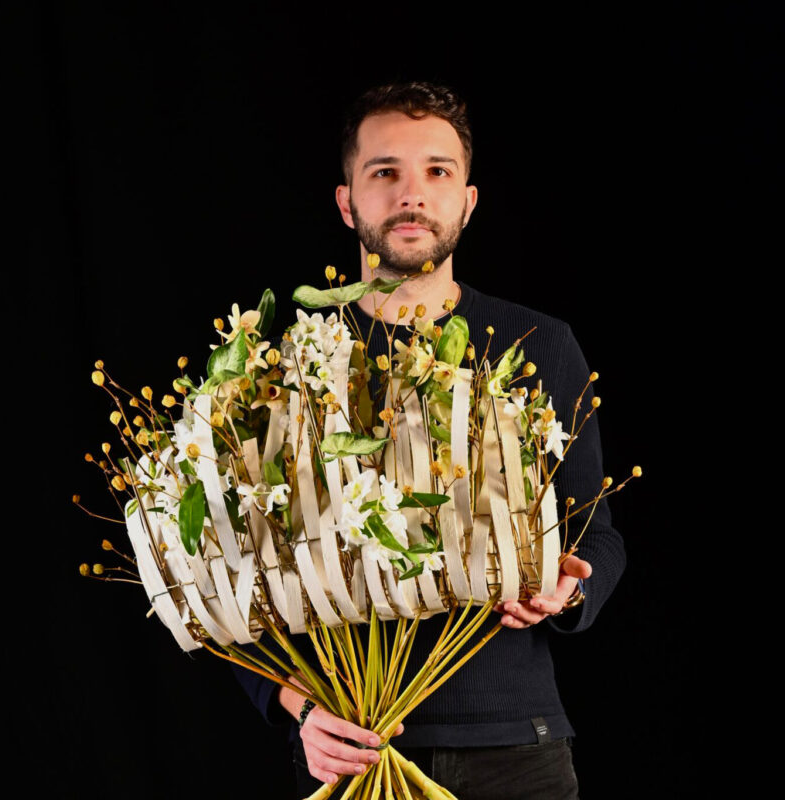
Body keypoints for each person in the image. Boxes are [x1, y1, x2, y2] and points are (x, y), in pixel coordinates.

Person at [232, 81, 626, 799]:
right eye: (385, 173)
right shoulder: (282, 363)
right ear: (348, 200)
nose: (411, 194)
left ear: (467, 201)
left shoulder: (542, 344)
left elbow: (599, 537)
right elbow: (235, 578)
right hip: (356, 748)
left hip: (520, 746)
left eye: (437, 172)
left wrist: (566, 591)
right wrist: (300, 711)